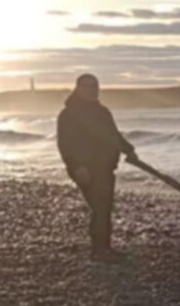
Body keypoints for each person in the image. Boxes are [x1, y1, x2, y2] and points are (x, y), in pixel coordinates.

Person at [57, 74, 139, 262]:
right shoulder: (69, 114)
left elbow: (113, 135)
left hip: (105, 166)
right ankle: (99, 250)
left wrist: (129, 150)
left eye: (95, 86)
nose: (92, 89)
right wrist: (77, 167)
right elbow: (65, 144)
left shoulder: (102, 112)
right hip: (84, 168)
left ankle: (104, 248)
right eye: (87, 86)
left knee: (105, 206)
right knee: (100, 206)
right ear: (78, 88)